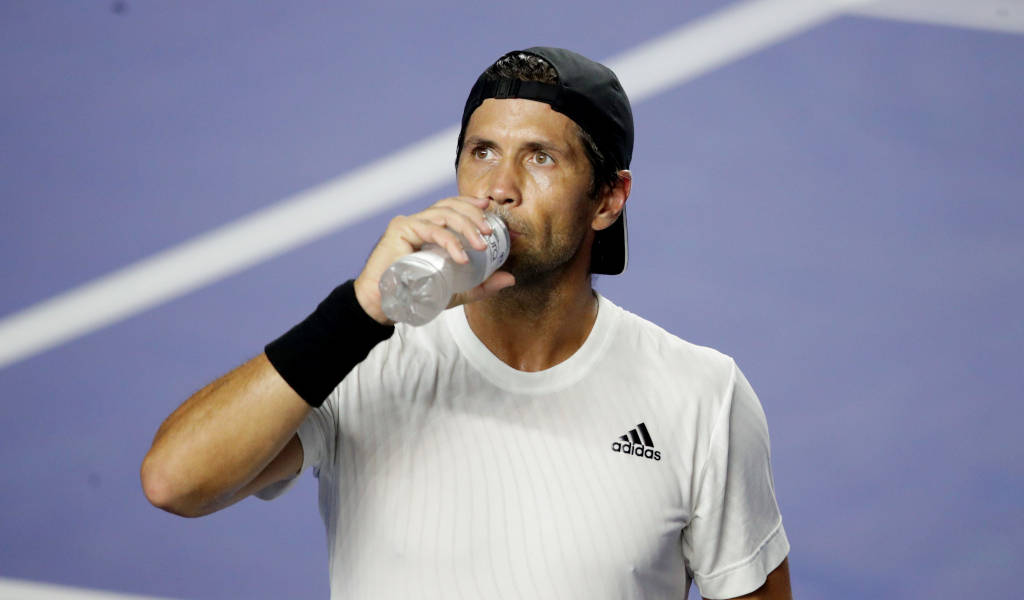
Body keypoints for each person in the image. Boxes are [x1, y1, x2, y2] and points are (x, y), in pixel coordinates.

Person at [141, 47, 791, 599]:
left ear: (608, 200)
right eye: (482, 151)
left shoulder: (701, 397)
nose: (498, 186)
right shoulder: (361, 353)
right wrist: (360, 312)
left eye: (540, 158)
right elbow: (175, 482)